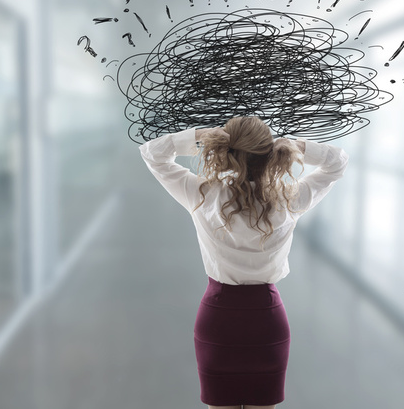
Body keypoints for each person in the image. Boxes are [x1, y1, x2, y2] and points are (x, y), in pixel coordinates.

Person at [139, 116, 349, 409]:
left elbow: (152, 153)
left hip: (218, 320)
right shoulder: (289, 198)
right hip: (267, 321)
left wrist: (203, 134)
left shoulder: (202, 195)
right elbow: (337, 162)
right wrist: (296, 145)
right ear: (269, 152)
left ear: (225, 149)